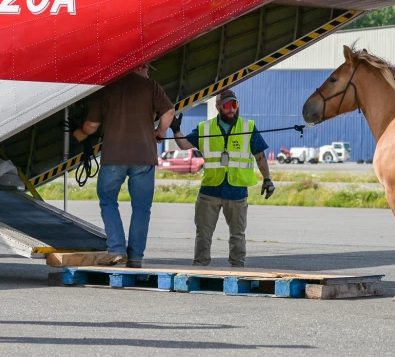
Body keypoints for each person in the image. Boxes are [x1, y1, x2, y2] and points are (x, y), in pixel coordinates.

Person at [74, 63, 175, 268]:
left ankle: (117, 249)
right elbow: (169, 112)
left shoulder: (107, 87)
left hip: (114, 157)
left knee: (108, 200)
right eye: (148, 69)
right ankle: (136, 257)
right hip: (144, 158)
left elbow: (92, 125)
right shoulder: (151, 86)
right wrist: (160, 133)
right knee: (141, 208)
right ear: (141, 67)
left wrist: (80, 134)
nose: (148, 73)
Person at [170, 89, 275, 267]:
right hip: (210, 189)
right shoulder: (205, 128)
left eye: (234, 105)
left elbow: (260, 155)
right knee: (203, 233)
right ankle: (200, 267)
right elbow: (184, 144)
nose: (231, 109)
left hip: (237, 190)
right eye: (227, 106)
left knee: (237, 234)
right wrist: (176, 129)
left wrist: (268, 179)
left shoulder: (248, 127)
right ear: (218, 107)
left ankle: (237, 267)